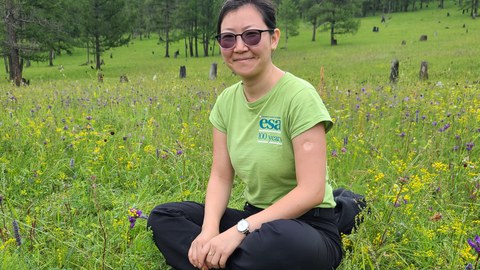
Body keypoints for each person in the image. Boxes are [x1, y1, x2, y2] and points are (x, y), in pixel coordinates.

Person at [147, 0, 343, 269]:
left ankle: (213, 261)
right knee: (164, 216)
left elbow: (311, 191)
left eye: (251, 35)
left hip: (307, 226)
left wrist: (239, 231)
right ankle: (224, 258)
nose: (239, 47)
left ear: (273, 38)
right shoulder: (226, 102)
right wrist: (209, 231)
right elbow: (220, 175)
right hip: (256, 219)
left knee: (280, 239)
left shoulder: (300, 96)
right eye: (228, 39)